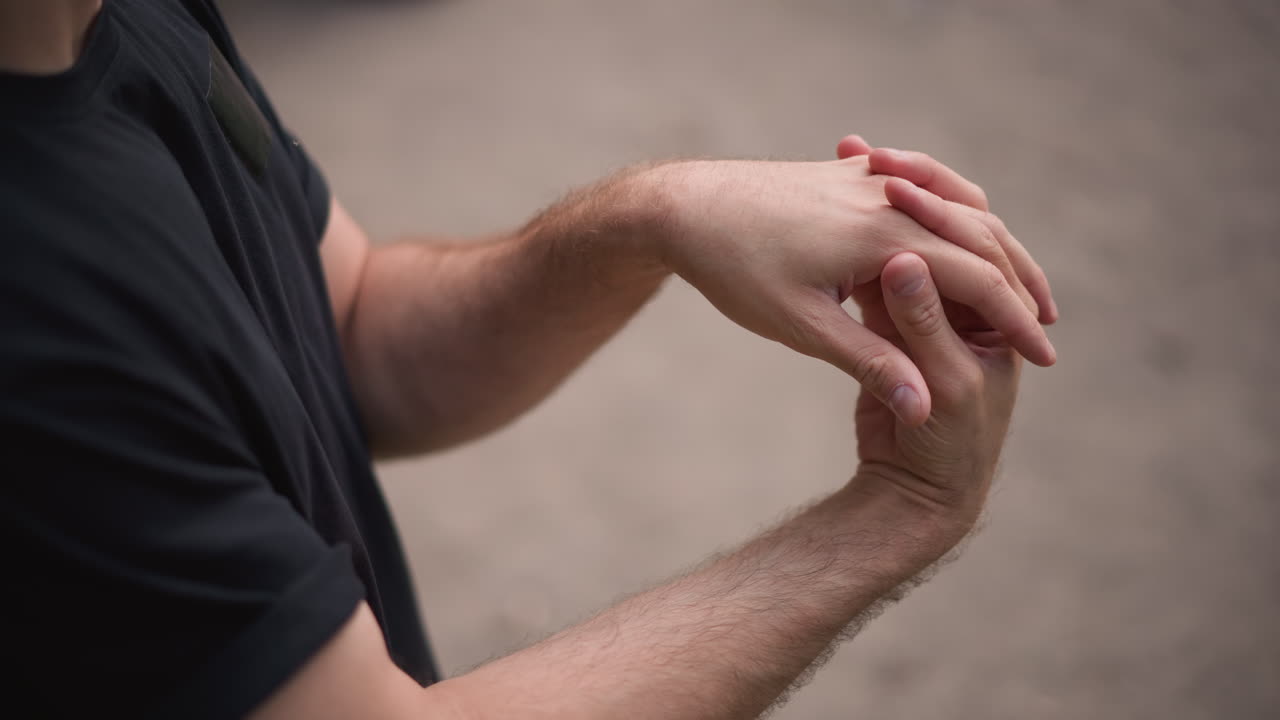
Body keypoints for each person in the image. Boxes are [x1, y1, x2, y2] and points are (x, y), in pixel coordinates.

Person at [0, 1, 1058, 717]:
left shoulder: (101, 18)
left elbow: (362, 340)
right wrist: (891, 518)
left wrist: (654, 216)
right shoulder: (36, 326)